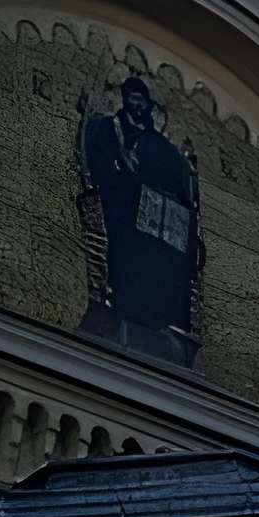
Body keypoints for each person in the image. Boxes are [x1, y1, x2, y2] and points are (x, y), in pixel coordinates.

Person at [77, 74, 202, 364]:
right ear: (125, 100)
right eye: (132, 99)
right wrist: (123, 170)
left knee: (163, 260)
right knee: (125, 259)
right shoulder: (110, 128)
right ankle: (122, 304)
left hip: (153, 218)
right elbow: (100, 164)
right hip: (121, 210)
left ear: (147, 105)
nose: (137, 106)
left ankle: (164, 316)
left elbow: (174, 175)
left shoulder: (157, 142)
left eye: (142, 101)